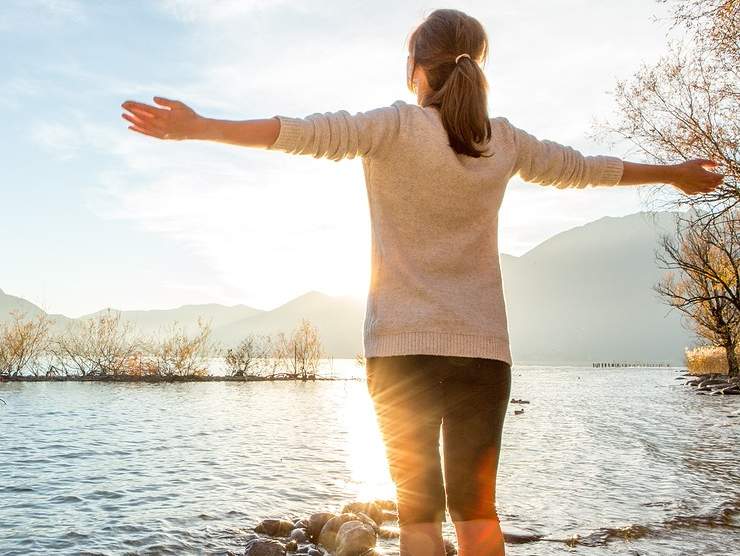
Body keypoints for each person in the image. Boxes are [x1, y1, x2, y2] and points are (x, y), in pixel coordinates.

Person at [120, 8, 723, 556]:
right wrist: (673, 173)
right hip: (483, 353)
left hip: (400, 351)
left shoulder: (394, 128)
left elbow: (300, 132)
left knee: (418, 517)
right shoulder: (503, 141)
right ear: (474, 65)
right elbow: (585, 170)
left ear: (414, 68)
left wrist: (198, 127)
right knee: (478, 514)